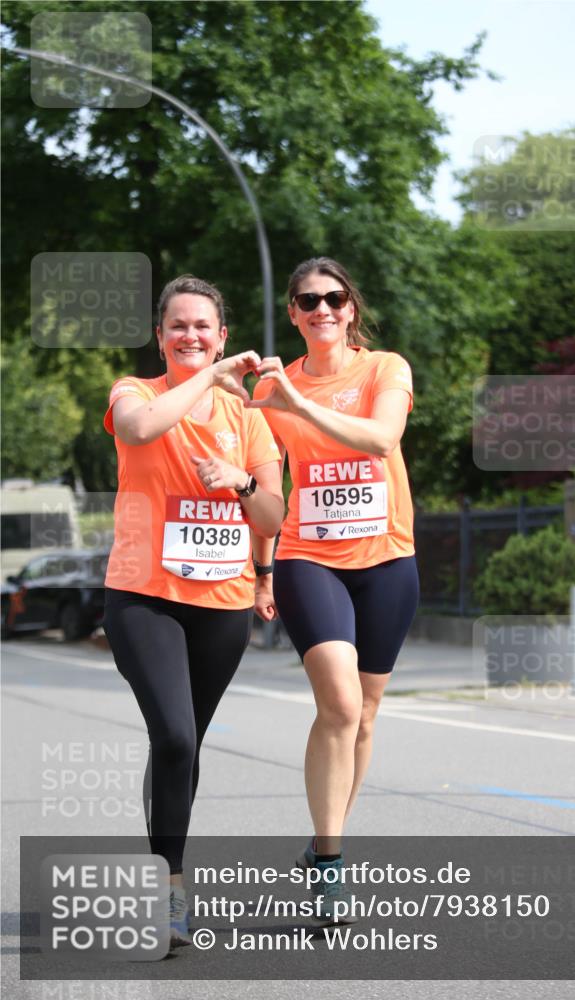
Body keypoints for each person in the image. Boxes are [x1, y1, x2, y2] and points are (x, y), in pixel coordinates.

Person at [103, 275, 283, 946]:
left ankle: (162, 869)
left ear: (222, 335)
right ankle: (171, 887)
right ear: (160, 336)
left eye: (202, 326)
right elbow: (139, 428)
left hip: (223, 601)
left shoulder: (251, 416)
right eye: (178, 325)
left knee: (182, 745)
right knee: (174, 736)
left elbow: (273, 512)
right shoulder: (136, 390)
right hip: (143, 595)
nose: (190, 335)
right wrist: (207, 380)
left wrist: (239, 482)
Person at [250, 257, 419, 922]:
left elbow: (382, 438)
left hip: (386, 560)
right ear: (292, 313)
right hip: (307, 559)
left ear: (350, 308)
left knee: (367, 714)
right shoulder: (271, 388)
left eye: (333, 297)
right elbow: (265, 482)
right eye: (306, 300)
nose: (321, 309)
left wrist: (298, 405)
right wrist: (261, 568)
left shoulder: (384, 369)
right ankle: (329, 868)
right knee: (341, 706)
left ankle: (326, 843)